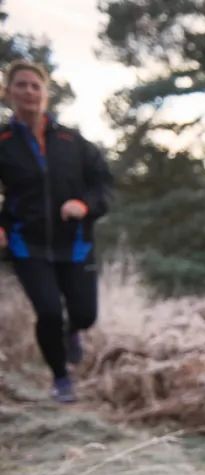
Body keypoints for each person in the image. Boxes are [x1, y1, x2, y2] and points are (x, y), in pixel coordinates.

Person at [0, 60, 112, 402]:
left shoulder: (72, 141)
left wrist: (84, 205)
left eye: (36, 85)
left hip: (74, 243)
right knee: (48, 311)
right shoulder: (3, 142)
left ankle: (73, 331)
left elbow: (103, 184)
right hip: (26, 244)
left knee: (84, 314)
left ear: (46, 94)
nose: (29, 91)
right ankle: (61, 378)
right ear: (8, 93)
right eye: (21, 85)